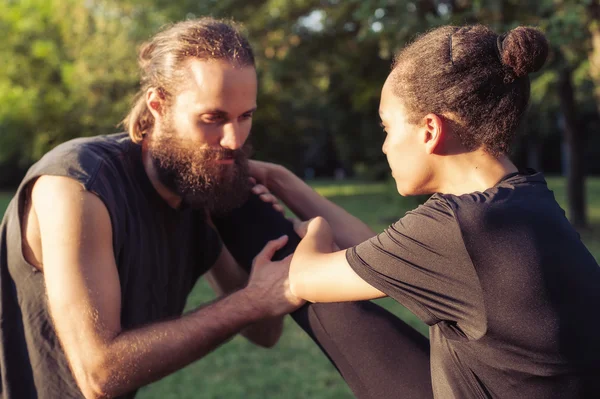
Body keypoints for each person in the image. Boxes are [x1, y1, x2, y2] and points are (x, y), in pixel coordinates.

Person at [0, 17, 435, 399]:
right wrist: (252, 300)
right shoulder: (77, 185)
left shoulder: (203, 186)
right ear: (158, 105)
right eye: (213, 119)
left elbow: (264, 331)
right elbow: (100, 374)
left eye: (246, 116)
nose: (234, 140)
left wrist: (267, 199)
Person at [250, 25, 600, 398]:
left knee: (324, 302)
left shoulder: (462, 226)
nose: (385, 146)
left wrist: (315, 230)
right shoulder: (523, 199)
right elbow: (378, 251)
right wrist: (281, 180)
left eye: (387, 127)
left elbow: (303, 279)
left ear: (429, 130)